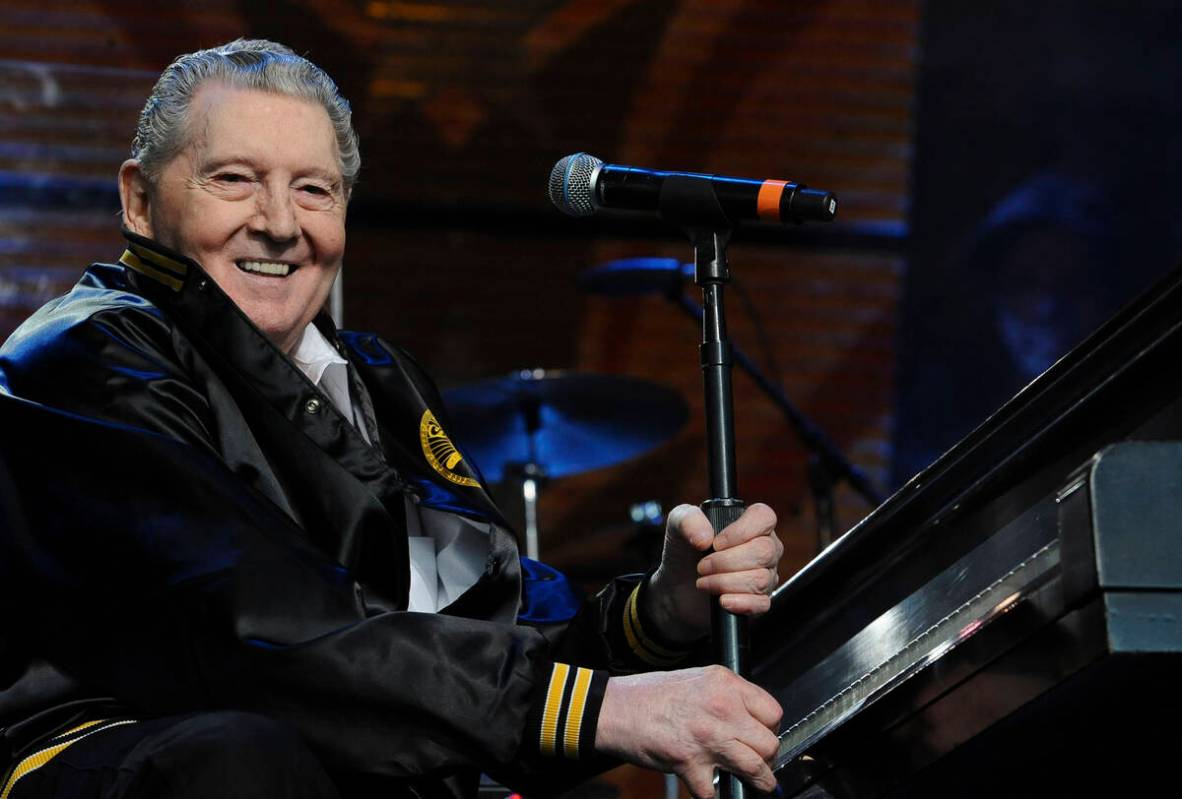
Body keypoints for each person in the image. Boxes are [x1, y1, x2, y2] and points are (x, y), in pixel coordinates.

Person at [0, 40, 784, 799]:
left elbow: (484, 615)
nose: (279, 221)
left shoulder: (380, 380)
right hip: (118, 750)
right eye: (235, 179)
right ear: (139, 199)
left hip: (324, 761)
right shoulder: (85, 353)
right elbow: (248, 619)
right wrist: (594, 710)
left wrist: (658, 610)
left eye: (314, 189)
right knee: (240, 755)